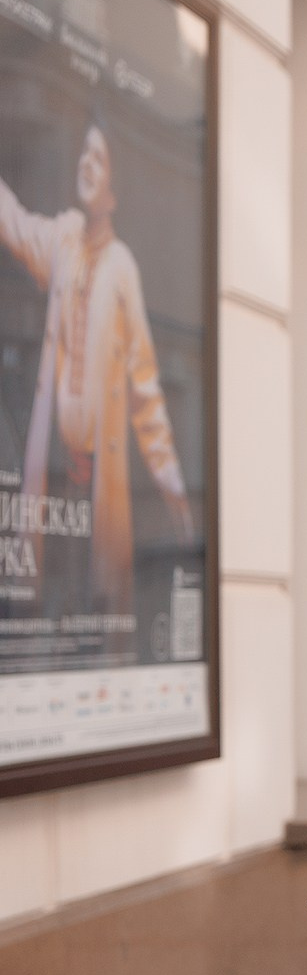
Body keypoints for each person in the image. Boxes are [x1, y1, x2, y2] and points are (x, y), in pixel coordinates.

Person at [0, 125, 195, 619]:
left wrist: (173, 486)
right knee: (39, 604)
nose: (86, 163)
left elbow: (145, 390)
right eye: (82, 152)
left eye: (99, 157)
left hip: (95, 486)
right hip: (55, 481)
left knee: (97, 601)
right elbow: (17, 224)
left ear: (114, 189)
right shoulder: (62, 241)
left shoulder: (123, 266)